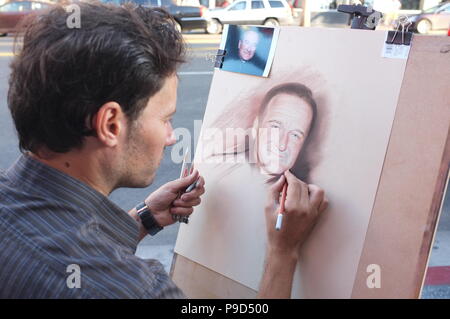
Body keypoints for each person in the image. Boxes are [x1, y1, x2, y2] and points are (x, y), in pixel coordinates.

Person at [0, 2, 327, 298]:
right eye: (166, 119)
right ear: (111, 124)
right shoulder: (133, 290)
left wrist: (143, 219)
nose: (172, 136)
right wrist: (283, 254)